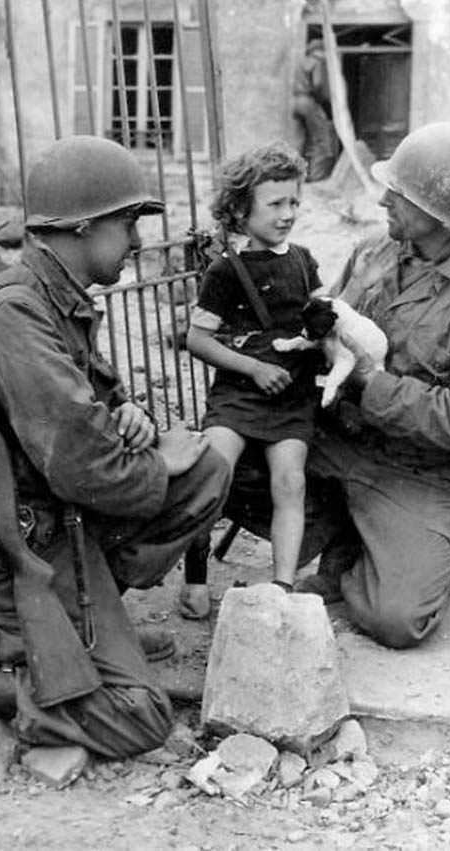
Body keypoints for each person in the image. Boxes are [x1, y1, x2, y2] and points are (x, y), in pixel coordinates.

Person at [0, 135, 230, 778]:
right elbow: (86, 466)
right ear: (80, 226)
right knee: (141, 715)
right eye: (126, 224)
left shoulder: (55, 300)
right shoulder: (16, 313)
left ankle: (69, 627)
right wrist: (150, 460)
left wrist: (135, 418)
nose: (138, 242)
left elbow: (100, 414)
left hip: (51, 517)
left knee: (204, 470)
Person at [225, 122, 450, 649]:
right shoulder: (376, 251)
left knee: (397, 619)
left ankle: (365, 555)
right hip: (337, 439)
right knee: (217, 468)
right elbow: (328, 322)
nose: (385, 200)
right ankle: (342, 533)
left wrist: (370, 381)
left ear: (442, 216)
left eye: (401, 194)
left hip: (418, 471)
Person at [178, 141, 323, 619]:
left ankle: (281, 586)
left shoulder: (302, 260)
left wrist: (324, 327)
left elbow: (324, 316)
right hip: (240, 394)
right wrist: (253, 367)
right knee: (209, 475)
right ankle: (196, 580)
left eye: (294, 202)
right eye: (275, 203)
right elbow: (198, 340)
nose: (288, 213)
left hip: (291, 396)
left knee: (290, 482)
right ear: (241, 210)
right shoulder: (225, 271)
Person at [292, 38, 338, 182]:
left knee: (301, 141)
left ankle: (294, 176)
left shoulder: (301, 63)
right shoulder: (318, 61)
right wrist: (323, 102)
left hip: (296, 101)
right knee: (321, 140)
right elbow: (318, 85)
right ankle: (316, 177)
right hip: (308, 101)